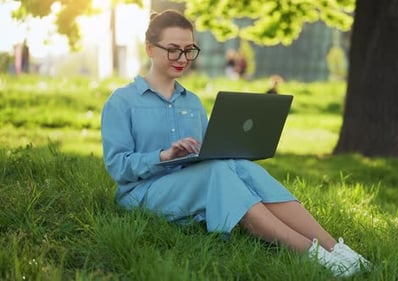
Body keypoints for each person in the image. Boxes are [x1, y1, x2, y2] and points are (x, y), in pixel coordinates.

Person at [100, 9, 371, 278]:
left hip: (192, 187)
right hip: (142, 194)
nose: (182, 58)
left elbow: (208, 154)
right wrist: (163, 155)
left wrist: (226, 149)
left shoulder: (191, 102)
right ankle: (315, 257)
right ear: (149, 48)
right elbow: (117, 167)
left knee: (238, 165)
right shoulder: (122, 101)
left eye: (189, 50)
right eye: (173, 50)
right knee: (216, 172)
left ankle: (336, 248)